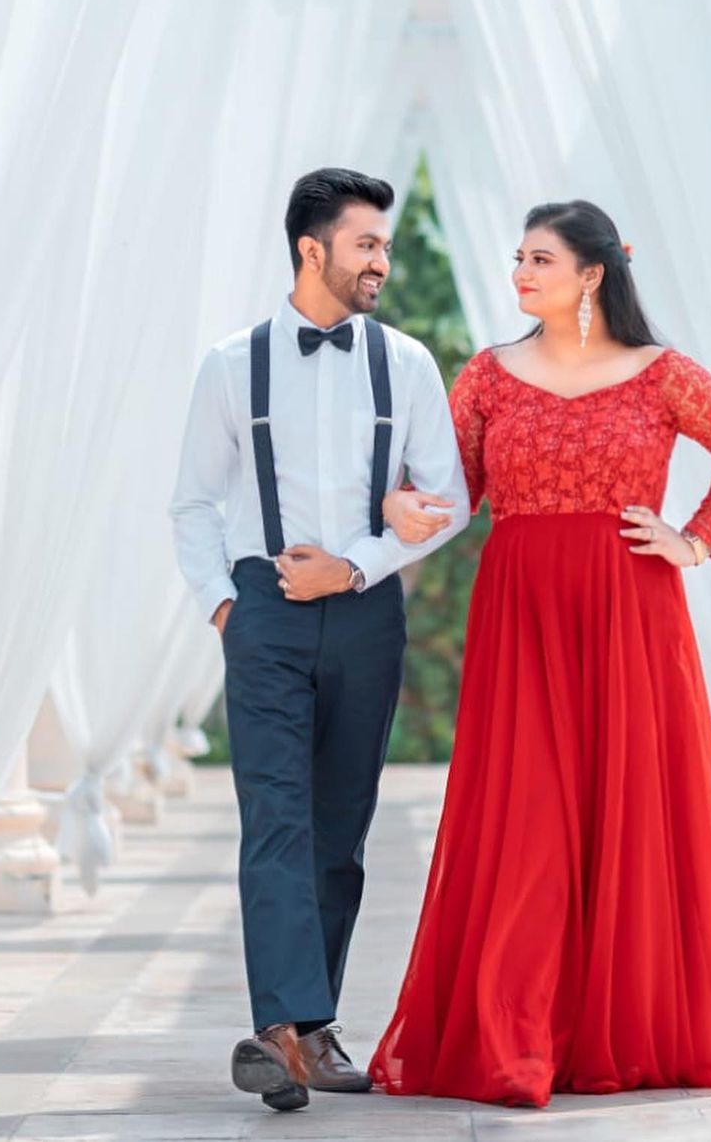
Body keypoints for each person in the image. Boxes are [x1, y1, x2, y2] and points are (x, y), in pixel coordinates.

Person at [371, 199, 711, 1107]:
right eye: (519, 258)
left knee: (625, 807)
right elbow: (451, 490)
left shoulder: (661, 373)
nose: (521, 273)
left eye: (540, 259)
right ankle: (517, 1035)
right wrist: (398, 509)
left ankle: (617, 1029)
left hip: (633, 612)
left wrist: (698, 540)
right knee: (527, 818)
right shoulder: (488, 376)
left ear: (591, 274)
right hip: (522, 613)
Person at [170, 167, 470, 1112]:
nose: (382, 259)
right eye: (366, 244)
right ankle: (280, 1029)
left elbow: (451, 501)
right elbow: (192, 503)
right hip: (263, 614)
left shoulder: (409, 364)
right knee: (276, 821)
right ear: (313, 249)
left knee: (339, 833)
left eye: (382, 243)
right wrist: (228, 605)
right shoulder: (231, 364)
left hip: (367, 611)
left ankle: (311, 1026)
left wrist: (356, 567)